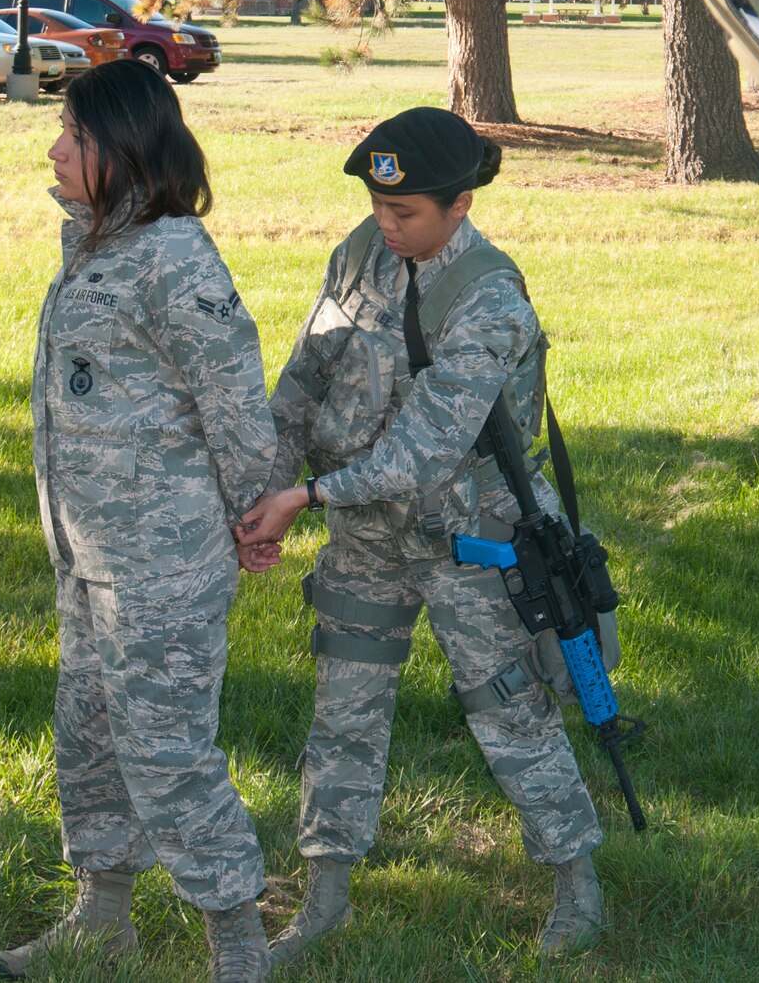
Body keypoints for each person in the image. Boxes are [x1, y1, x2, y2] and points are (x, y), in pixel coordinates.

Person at [234, 107, 605, 968]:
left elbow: (426, 445)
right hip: (363, 532)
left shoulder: (490, 299)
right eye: (377, 206)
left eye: (406, 214)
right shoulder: (361, 254)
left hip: (468, 536)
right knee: (344, 704)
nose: (386, 223)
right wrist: (268, 488)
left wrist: (311, 495)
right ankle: (326, 896)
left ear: (461, 205)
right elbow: (304, 377)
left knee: (508, 703)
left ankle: (574, 883)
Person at [0, 59, 275, 982]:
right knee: (89, 734)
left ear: (123, 148)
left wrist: (256, 516)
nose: (55, 149)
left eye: (75, 136)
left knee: (166, 753)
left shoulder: (175, 260)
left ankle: (238, 943)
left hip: (162, 563)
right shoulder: (93, 242)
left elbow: (235, 404)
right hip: (91, 556)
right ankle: (101, 917)